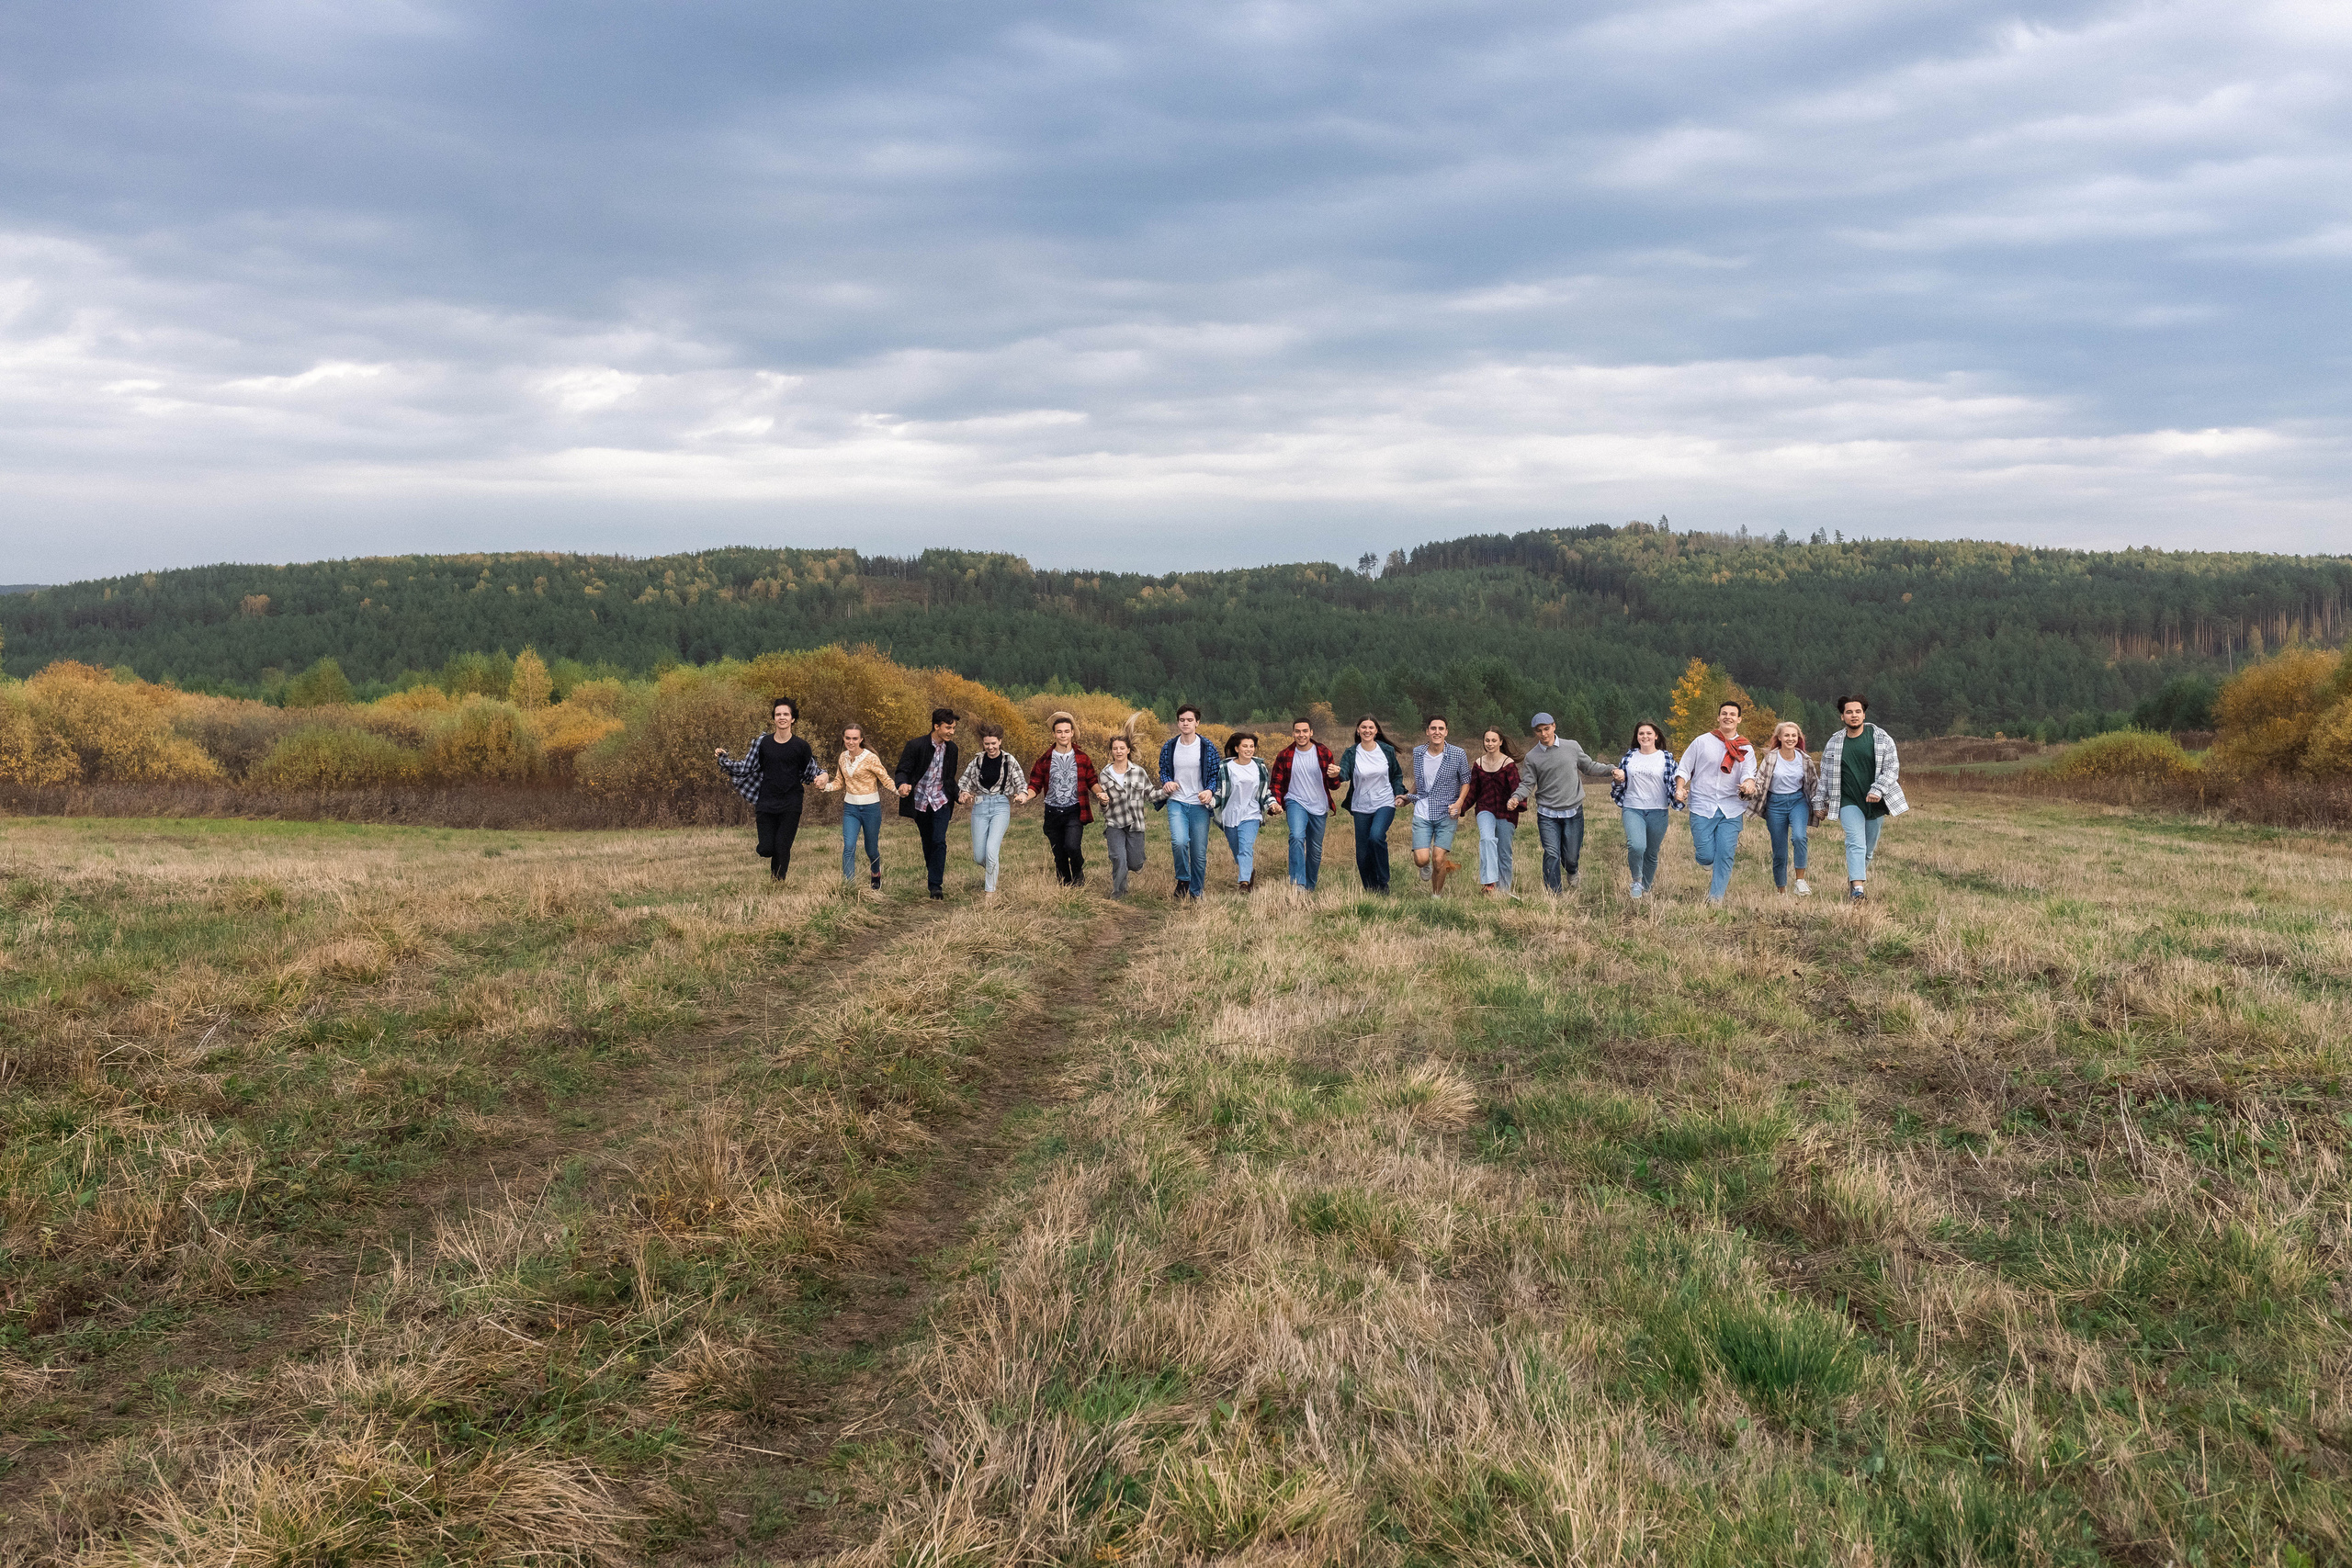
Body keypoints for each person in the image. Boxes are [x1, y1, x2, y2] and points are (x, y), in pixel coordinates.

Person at [714, 697, 830, 882]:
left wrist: (824, 776)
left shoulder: (801, 746)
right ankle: (770, 859)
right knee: (767, 847)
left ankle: (777, 883)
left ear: (793, 719)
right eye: (778, 714)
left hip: (791, 802)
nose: (782, 717)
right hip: (766, 801)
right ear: (774, 718)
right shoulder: (762, 743)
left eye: (786, 714)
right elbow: (745, 767)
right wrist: (723, 759)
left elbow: (813, 771)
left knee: (782, 846)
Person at [1508, 712, 1616, 895]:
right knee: (1551, 853)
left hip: (1573, 812)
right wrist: (1516, 797)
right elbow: (1527, 783)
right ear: (1535, 733)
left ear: (1554, 726)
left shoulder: (1571, 747)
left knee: (1571, 857)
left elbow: (1589, 766)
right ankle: (1554, 895)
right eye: (1539, 731)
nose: (1543, 734)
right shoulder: (1532, 757)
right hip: (1547, 814)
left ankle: (1572, 870)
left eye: (1546, 729)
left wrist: (1612, 769)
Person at [1812, 694, 1907, 902]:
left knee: (1868, 850)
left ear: (1864, 714)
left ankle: (1854, 879)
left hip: (1876, 801)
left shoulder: (1881, 737)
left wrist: (1878, 789)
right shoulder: (1835, 742)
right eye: (1849, 712)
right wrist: (1820, 802)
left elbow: (1892, 769)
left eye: (1857, 711)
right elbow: (1825, 775)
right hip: (1848, 801)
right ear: (1842, 717)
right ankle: (1858, 890)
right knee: (1855, 842)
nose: (1853, 715)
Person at [1676, 702, 1759, 907]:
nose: (1728, 717)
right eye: (1724, 714)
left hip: (1731, 808)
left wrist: (1748, 784)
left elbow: (1750, 773)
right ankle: (1706, 861)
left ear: (1739, 719)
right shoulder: (1702, 742)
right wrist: (1679, 787)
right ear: (1718, 718)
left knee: (1726, 853)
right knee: (1705, 855)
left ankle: (1716, 898)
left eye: (1733, 714)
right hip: (1702, 804)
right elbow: (1684, 768)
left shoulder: (1746, 747)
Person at [956, 722, 1032, 898]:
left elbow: (1021, 782)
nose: (990, 747)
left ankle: (990, 892)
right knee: (978, 856)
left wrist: (1022, 794)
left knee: (991, 850)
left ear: (1000, 741)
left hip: (1000, 806)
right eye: (987, 743)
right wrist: (964, 793)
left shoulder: (1009, 760)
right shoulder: (977, 761)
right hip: (980, 806)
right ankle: (993, 867)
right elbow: (964, 782)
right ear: (983, 743)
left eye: (993, 743)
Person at [894, 707, 960, 900]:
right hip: (920, 802)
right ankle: (933, 878)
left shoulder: (952, 749)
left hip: (941, 801)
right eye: (948, 728)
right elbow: (902, 770)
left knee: (939, 840)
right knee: (928, 841)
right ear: (936, 726)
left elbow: (949, 779)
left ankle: (935, 885)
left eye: (953, 728)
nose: (951, 732)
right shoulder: (915, 746)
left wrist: (959, 795)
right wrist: (902, 784)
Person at [1157, 705, 1222, 901]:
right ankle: (1184, 878)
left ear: (1197, 722)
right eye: (1182, 720)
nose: (1186, 723)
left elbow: (1214, 775)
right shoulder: (1169, 746)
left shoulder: (1207, 747)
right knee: (1179, 841)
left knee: (1199, 853)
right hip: (1177, 801)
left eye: (1190, 720)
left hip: (1199, 804)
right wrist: (1167, 782)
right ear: (1177, 722)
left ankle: (1196, 892)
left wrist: (1209, 791)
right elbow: (1164, 770)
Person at [1607, 721, 1679, 899]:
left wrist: (1680, 793)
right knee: (1637, 846)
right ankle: (1636, 881)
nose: (1644, 736)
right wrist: (1617, 779)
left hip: (1658, 810)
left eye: (1648, 733)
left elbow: (1675, 782)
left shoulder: (1666, 758)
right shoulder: (1629, 757)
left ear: (1656, 736)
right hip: (1633, 808)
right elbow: (1619, 781)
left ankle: (1646, 887)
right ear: (1637, 737)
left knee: (1651, 853)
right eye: (1641, 734)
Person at [1269, 717, 1340, 890]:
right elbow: (1276, 783)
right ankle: (1298, 883)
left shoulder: (1323, 752)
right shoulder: (1284, 755)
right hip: (1295, 801)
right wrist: (1275, 803)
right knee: (1296, 836)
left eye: (1305, 731)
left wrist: (1335, 776)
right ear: (1293, 733)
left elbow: (1334, 786)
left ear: (1311, 732)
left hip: (1319, 805)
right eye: (1298, 731)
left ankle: (1310, 886)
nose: (1301, 735)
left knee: (1315, 851)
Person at [1026, 711, 1097, 886]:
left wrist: (1101, 793)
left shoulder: (1082, 758)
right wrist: (1026, 796)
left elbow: (1091, 780)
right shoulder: (1044, 760)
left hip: (1074, 810)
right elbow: (1035, 783)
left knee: (1072, 846)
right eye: (1059, 732)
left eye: (1066, 731)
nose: (1063, 735)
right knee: (1059, 854)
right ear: (1054, 734)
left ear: (1072, 733)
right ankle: (1066, 886)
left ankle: (1078, 870)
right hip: (1052, 811)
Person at [1751, 720, 1818, 897]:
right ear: (1779, 738)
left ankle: (1800, 881)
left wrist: (1819, 806)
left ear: (1798, 738)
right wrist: (1748, 790)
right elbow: (1760, 782)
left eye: (1793, 735)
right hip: (1775, 804)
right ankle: (1781, 890)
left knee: (1799, 837)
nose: (1790, 738)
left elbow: (1813, 785)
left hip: (1798, 801)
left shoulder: (1805, 760)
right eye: (1786, 735)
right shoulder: (1771, 758)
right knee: (1779, 851)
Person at [1339, 715, 1405, 894]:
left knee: (1375, 837)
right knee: (1362, 853)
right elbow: (1344, 773)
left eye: (1371, 727)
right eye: (1363, 727)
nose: (1367, 730)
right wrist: (1336, 773)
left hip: (1384, 802)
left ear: (1376, 731)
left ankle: (1383, 882)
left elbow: (1397, 775)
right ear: (1358, 730)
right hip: (1360, 806)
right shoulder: (1351, 752)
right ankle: (1370, 888)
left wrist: (1399, 793)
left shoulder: (1387, 751)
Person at [1407, 716, 1471, 895]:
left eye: (1441, 729)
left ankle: (1436, 896)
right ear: (1427, 732)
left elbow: (1466, 781)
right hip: (1422, 811)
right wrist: (1407, 797)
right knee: (1421, 859)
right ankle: (1424, 866)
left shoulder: (1458, 754)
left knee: (1438, 858)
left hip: (1446, 812)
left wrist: (1459, 803)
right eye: (1433, 728)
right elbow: (1419, 781)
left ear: (1446, 732)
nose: (1437, 732)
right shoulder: (1418, 752)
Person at [825, 724, 892, 890]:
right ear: (843, 738)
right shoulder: (842, 757)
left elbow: (885, 779)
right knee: (848, 847)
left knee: (871, 850)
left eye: (855, 738)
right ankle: (849, 887)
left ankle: (875, 873)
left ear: (861, 739)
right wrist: (824, 786)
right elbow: (839, 782)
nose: (851, 742)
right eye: (848, 738)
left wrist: (900, 790)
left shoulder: (871, 758)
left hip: (871, 808)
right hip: (851, 809)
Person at [1093, 722, 1155, 897]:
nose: (1118, 751)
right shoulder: (1104, 775)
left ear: (1128, 750)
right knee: (1118, 858)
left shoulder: (1139, 772)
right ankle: (1119, 892)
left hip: (1135, 823)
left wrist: (1166, 791)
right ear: (1111, 751)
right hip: (1114, 822)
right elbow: (1103, 807)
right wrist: (1103, 802)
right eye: (1115, 748)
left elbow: (1150, 794)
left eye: (1122, 748)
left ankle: (1135, 864)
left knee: (1134, 863)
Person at [1213, 732, 1276, 891]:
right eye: (1245, 746)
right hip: (1230, 814)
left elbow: (1264, 791)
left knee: (1246, 847)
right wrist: (1210, 801)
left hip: (1251, 813)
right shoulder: (1225, 767)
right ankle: (1248, 871)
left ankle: (1244, 883)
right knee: (1238, 853)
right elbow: (1220, 792)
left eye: (1252, 746)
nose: (1249, 749)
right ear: (1236, 748)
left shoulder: (1260, 767)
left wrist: (1272, 804)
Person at [1464, 728, 1521, 897]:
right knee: (1487, 839)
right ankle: (1490, 883)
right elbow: (1473, 791)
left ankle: (1503, 891)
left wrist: (1516, 802)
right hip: (1485, 808)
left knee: (1504, 852)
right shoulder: (1478, 763)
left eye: (1494, 740)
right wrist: (1460, 807)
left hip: (1506, 812)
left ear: (1501, 742)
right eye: (1487, 740)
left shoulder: (1509, 764)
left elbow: (1517, 788)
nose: (1490, 744)